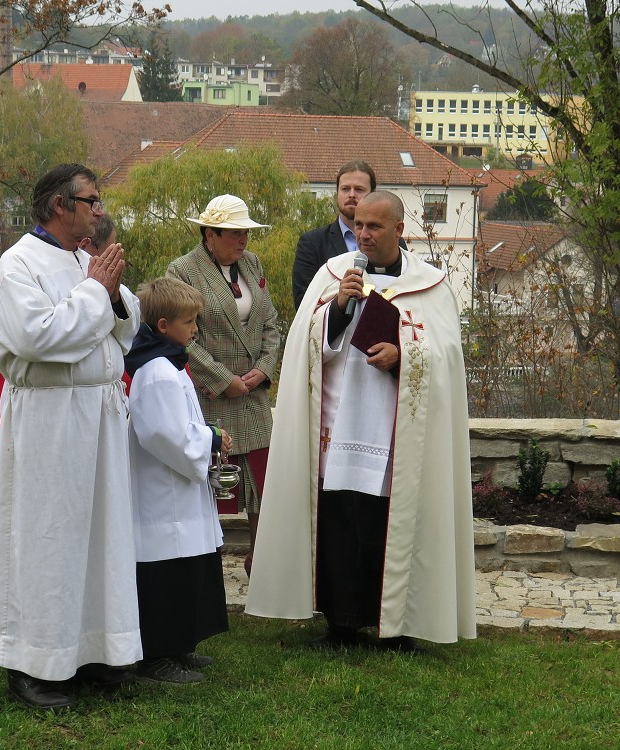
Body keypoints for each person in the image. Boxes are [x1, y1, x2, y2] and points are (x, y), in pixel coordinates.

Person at [246, 190, 476, 652]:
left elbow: (449, 356)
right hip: (339, 424)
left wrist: (403, 356)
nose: (364, 235)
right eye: (358, 225)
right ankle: (341, 625)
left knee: (386, 525)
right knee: (341, 525)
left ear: (399, 229)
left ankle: (396, 627)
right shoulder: (334, 275)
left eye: (374, 226)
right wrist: (335, 311)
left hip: (398, 434)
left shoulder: (431, 285)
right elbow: (306, 342)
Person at [0, 163, 142, 712]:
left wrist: (113, 295)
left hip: (98, 410)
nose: (100, 210)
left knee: (100, 536)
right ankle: (36, 661)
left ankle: (96, 648)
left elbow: (124, 329)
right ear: (59, 206)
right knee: (49, 536)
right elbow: (37, 338)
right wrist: (98, 292)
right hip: (51, 415)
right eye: (91, 201)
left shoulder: (83, 260)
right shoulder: (19, 263)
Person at [124, 277, 232, 685]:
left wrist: (203, 436)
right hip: (161, 494)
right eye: (190, 322)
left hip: (179, 490)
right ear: (164, 325)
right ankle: (156, 656)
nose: (197, 329)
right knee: (165, 573)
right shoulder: (156, 372)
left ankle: (180, 644)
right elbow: (163, 434)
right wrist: (211, 438)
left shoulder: (169, 364)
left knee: (187, 568)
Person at [167, 195, 280, 578]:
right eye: (233, 233)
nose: (243, 239)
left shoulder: (253, 264)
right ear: (209, 234)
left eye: (245, 232)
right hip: (213, 395)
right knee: (217, 484)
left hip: (254, 394)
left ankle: (261, 565)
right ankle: (206, 569)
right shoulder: (182, 271)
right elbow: (181, 338)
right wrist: (222, 380)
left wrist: (263, 369)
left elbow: (270, 324)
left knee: (264, 485)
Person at [291, 160, 377, 310]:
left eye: (359, 189)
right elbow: (303, 304)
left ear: (373, 195)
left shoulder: (392, 243)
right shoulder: (312, 243)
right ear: (337, 194)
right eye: (345, 189)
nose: (351, 195)